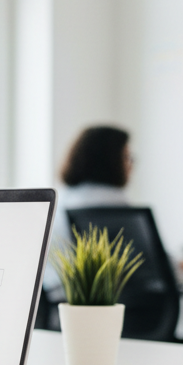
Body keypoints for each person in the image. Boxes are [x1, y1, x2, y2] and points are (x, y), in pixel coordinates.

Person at [42, 125, 133, 299]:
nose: (131, 165)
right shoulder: (115, 202)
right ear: (110, 160)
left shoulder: (63, 197)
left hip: (54, 297)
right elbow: (147, 260)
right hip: (96, 303)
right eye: (127, 157)